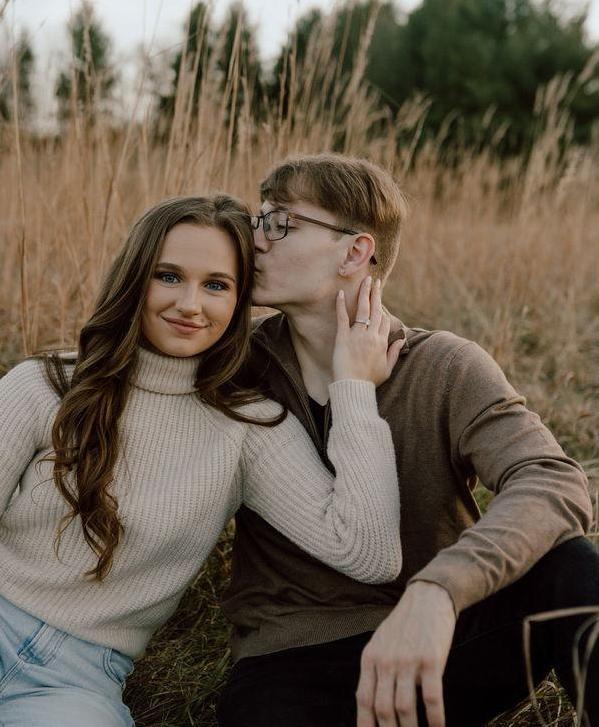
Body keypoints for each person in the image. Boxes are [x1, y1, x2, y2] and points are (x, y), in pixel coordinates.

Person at [0, 194, 405, 727]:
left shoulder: (249, 427)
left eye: (216, 285)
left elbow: (369, 552)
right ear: (136, 279)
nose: (190, 304)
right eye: (168, 276)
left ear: (240, 298)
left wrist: (353, 389)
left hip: (81, 673)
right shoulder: (45, 386)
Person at [216, 154, 598, 727]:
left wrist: (440, 589)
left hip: (437, 643)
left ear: (355, 252)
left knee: (571, 567)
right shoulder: (233, 364)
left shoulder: (444, 365)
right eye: (258, 219)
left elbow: (552, 482)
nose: (256, 239)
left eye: (281, 222)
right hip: (294, 661)